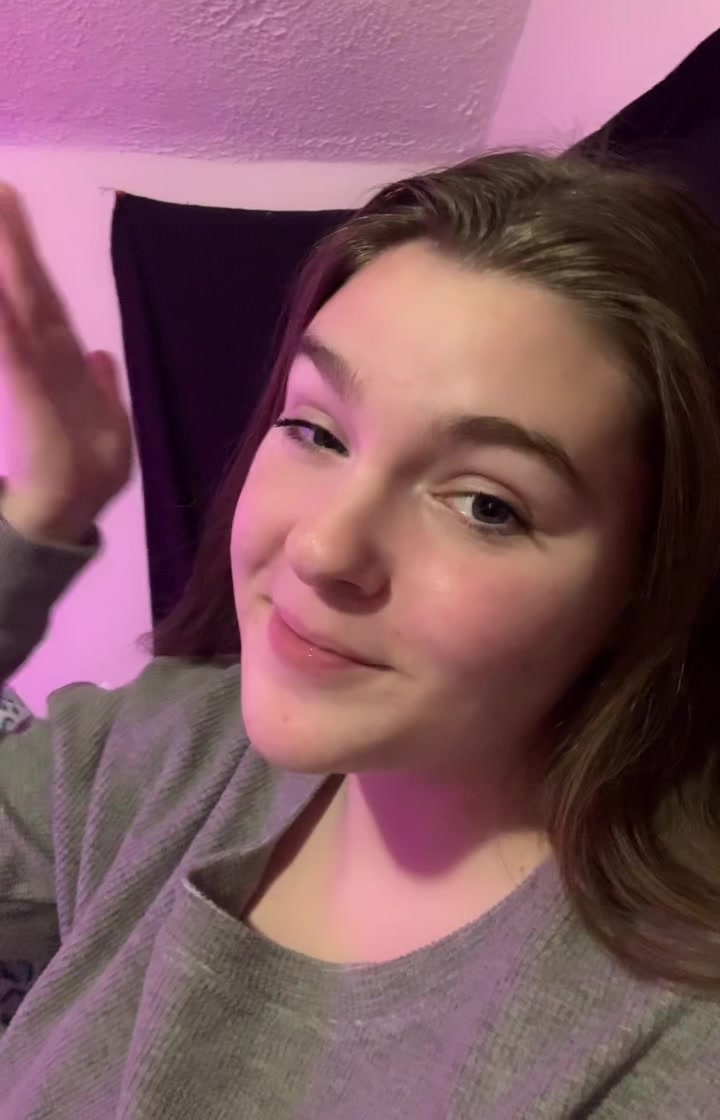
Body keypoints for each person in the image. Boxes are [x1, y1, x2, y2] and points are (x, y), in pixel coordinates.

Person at [0, 151, 719, 1119]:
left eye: (487, 504)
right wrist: (42, 514)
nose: (323, 548)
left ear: (647, 587)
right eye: (317, 431)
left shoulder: (675, 1042)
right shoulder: (169, 751)